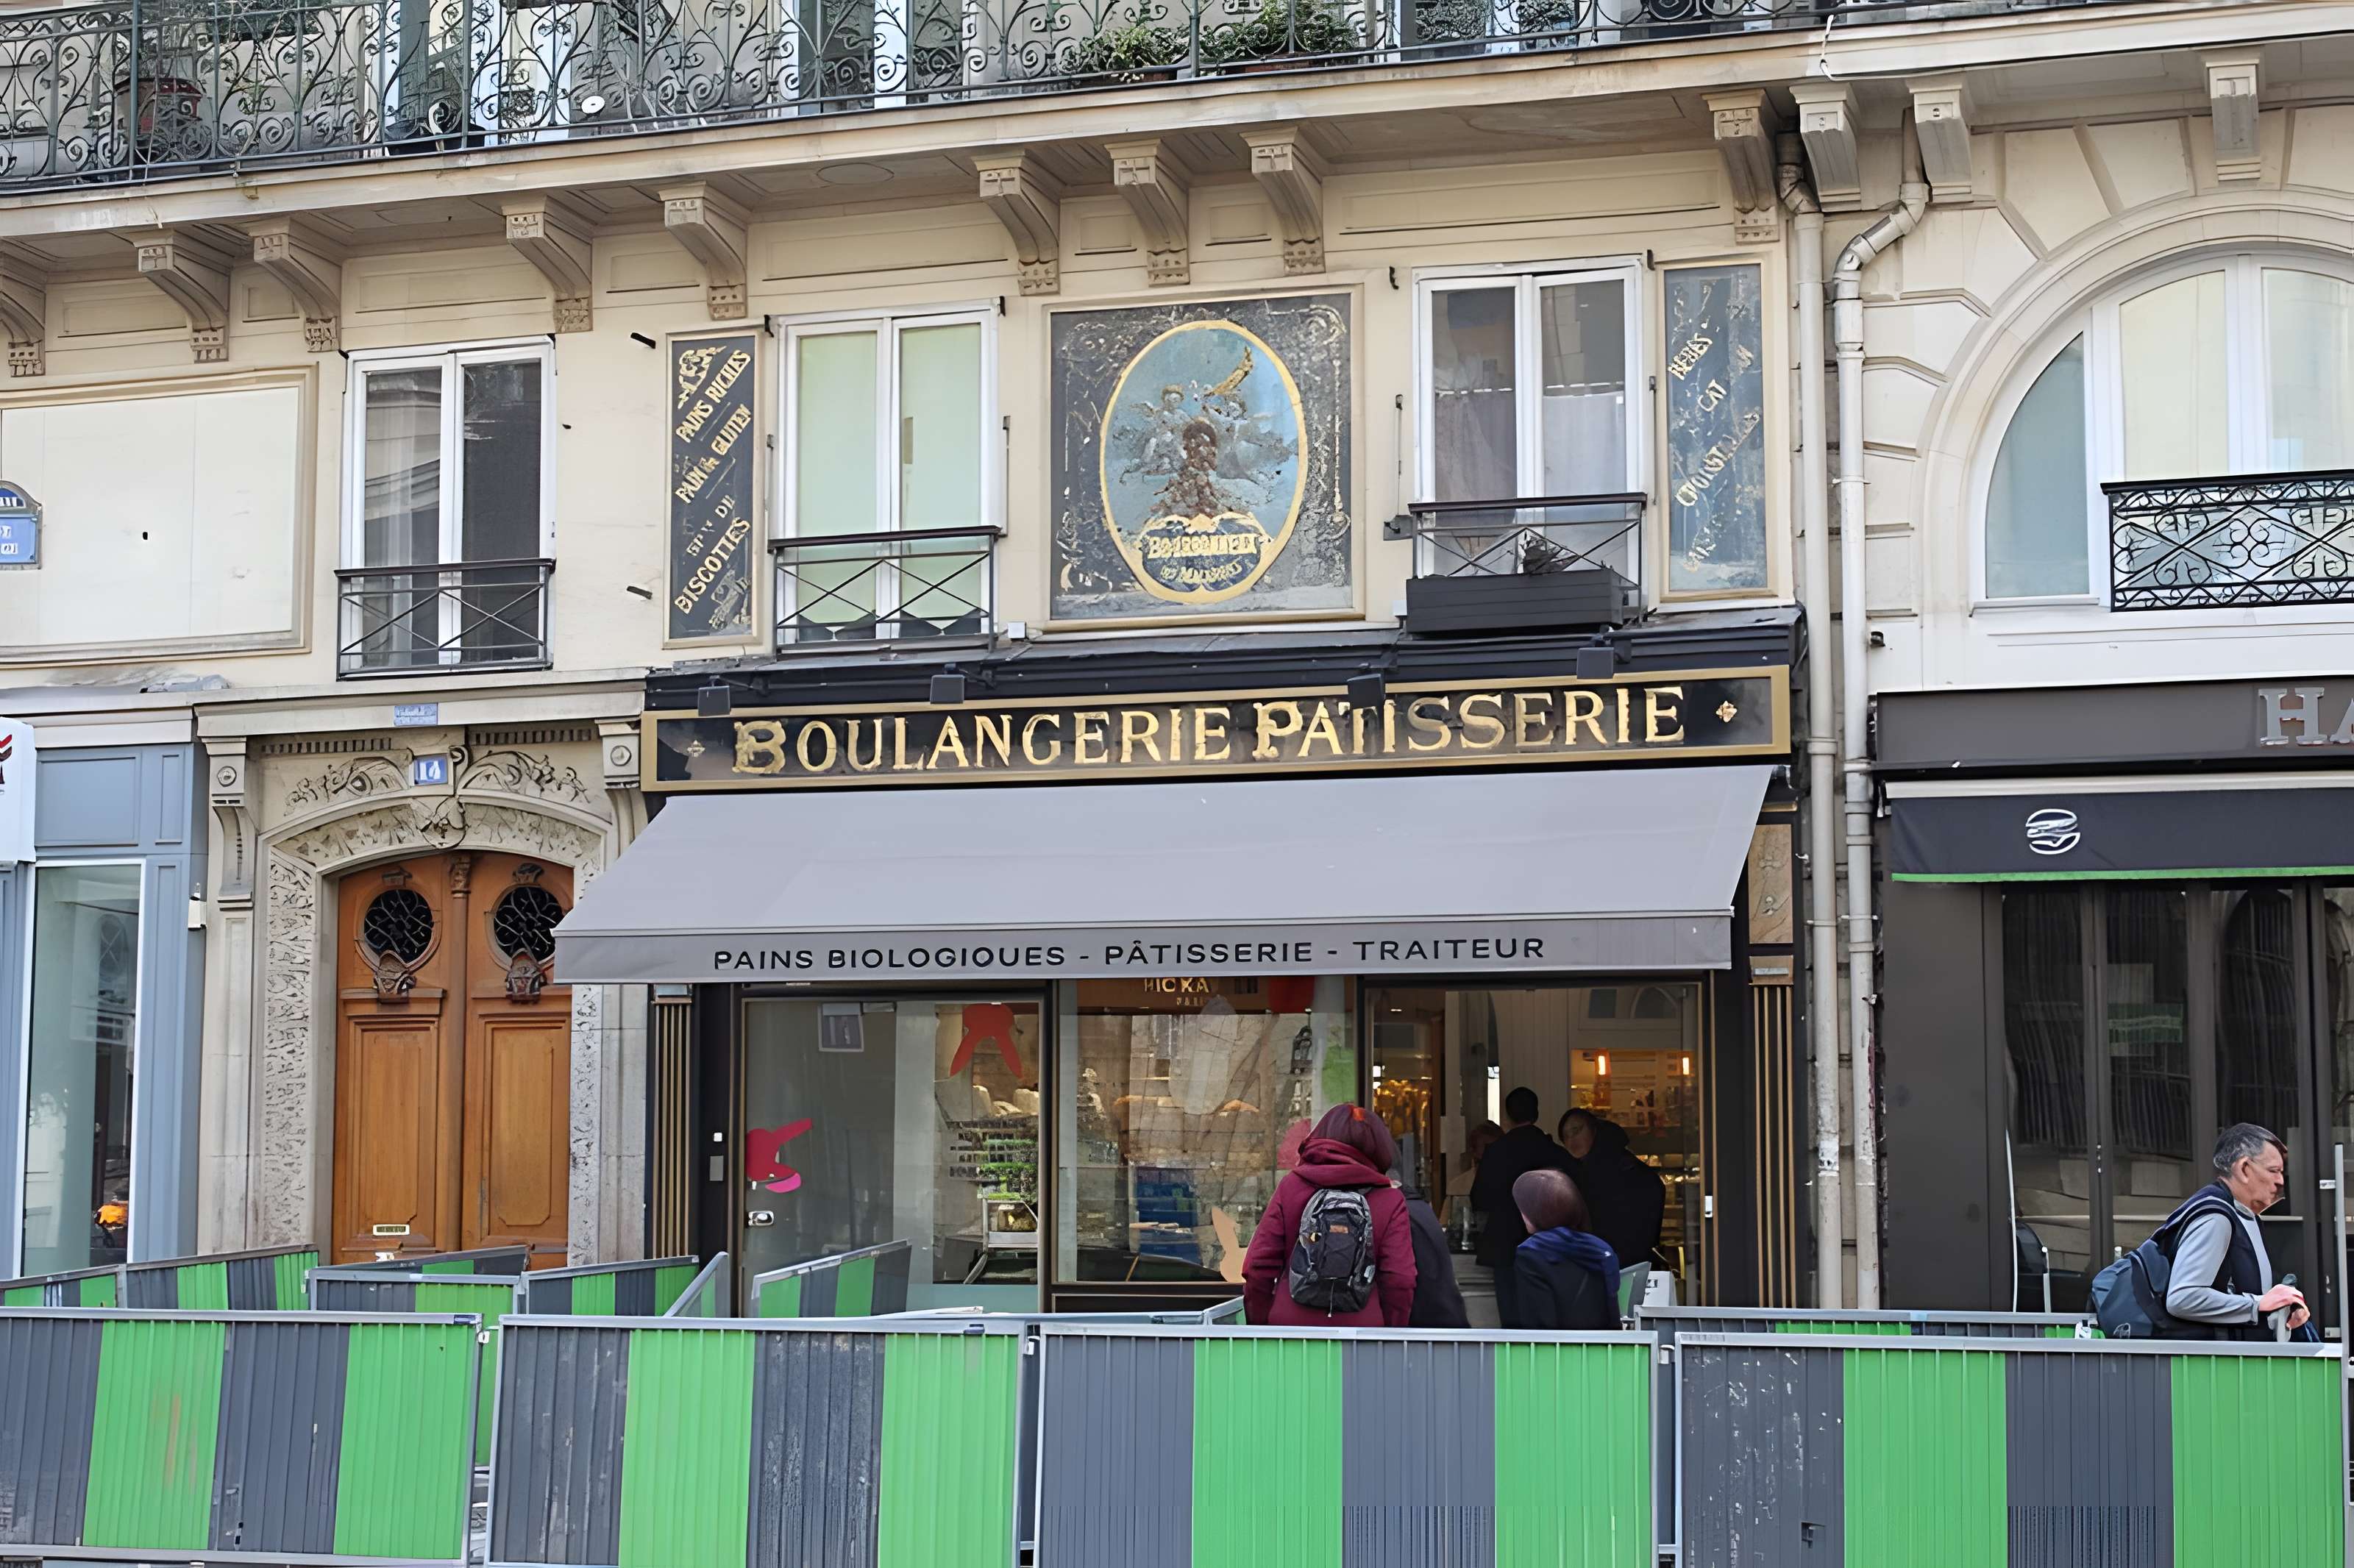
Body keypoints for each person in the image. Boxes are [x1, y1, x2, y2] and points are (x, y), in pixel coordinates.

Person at [1242, 1103, 1415, 1327]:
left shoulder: (1292, 1187)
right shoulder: (1390, 1200)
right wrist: (1392, 1333)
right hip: (1362, 1335)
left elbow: (1257, 1267)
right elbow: (1400, 1280)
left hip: (1291, 1331)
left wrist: (1260, 1323)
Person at [2159, 1122, 2311, 1340]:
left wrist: (2283, 1307)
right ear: (2244, 1169)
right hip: (2214, 1366)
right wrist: (2258, 1303)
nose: (2280, 1181)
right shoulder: (2216, 1218)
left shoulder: (2243, 1215)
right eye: (2273, 1171)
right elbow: (2182, 1298)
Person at [1471, 1088, 1574, 1327]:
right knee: (1548, 1321)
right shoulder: (1555, 1153)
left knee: (1512, 1323)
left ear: (1507, 1117)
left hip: (1505, 1246)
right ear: (1536, 1113)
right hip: (1551, 1245)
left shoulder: (1496, 1152)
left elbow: (1480, 1199)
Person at [1510, 1167, 1621, 1330]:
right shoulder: (1601, 1249)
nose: (1523, 1214)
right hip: (1602, 1349)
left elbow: (1537, 1322)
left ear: (1540, 1211)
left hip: (1558, 1352)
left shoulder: (1533, 1252)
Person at [1560, 1108, 1667, 1272]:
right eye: (1565, 1136)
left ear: (1594, 1129)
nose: (1571, 1139)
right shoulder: (1583, 1169)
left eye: (1576, 1130)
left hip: (1620, 1265)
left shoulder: (1614, 1165)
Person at [1399, 1168, 1468, 1329]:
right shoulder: (1420, 1208)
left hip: (1427, 1328)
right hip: (1445, 1320)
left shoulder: (1403, 1212)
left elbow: (1399, 1279)